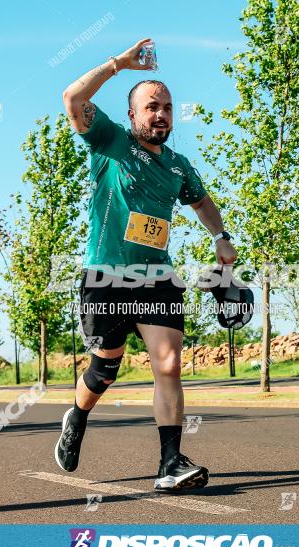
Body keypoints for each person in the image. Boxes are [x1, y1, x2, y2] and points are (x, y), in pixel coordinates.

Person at [57, 39, 236, 491]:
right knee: (105, 368)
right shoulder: (110, 141)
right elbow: (73, 99)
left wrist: (221, 237)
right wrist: (120, 64)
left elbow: (203, 202)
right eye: (152, 107)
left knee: (169, 363)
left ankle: (170, 464)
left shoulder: (178, 165)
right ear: (133, 115)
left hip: (157, 276)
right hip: (106, 275)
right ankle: (77, 416)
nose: (161, 115)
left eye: (168, 108)